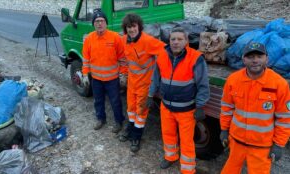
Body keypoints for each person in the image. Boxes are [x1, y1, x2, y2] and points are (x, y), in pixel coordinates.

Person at [219, 42, 290, 174]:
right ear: (243, 59)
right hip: (236, 141)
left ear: (267, 59)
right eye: (250, 56)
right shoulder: (233, 80)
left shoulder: (279, 84)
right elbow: (226, 108)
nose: (255, 60)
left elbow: (285, 118)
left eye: (259, 56)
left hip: (262, 146)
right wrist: (224, 129)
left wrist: (279, 145)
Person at [148, 27, 210, 173]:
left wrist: (200, 106)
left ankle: (188, 169)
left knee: (187, 141)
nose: (176, 42)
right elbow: (155, 78)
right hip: (166, 107)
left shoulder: (195, 58)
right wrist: (150, 96)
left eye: (180, 39)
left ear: (186, 41)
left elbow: (203, 84)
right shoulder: (162, 55)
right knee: (168, 134)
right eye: (173, 39)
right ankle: (171, 157)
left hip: (186, 110)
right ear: (169, 41)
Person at [118, 13, 165, 152]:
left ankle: (136, 137)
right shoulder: (124, 39)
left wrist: (161, 72)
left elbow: (166, 51)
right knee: (131, 108)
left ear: (139, 26)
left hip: (145, 84)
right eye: (128, 27)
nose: (131, 29)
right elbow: (121, 54)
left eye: (133, 26)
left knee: (141, 111)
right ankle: (130, 128)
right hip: (132, 82)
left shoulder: (148, 41)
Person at [82, 10, 127, 133]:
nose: (99, 24)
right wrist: (85, 74)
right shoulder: (89, 39)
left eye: (102, 21)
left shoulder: (115, 37)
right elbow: (86, 58)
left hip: (112, 79)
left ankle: (119, 121)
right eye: (97, 21)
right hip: (96, 79)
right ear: (93, 24)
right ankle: (101, 119)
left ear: (106, 23)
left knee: (115, 101)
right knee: (98, 100)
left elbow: (122, 59)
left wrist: (123, 74)